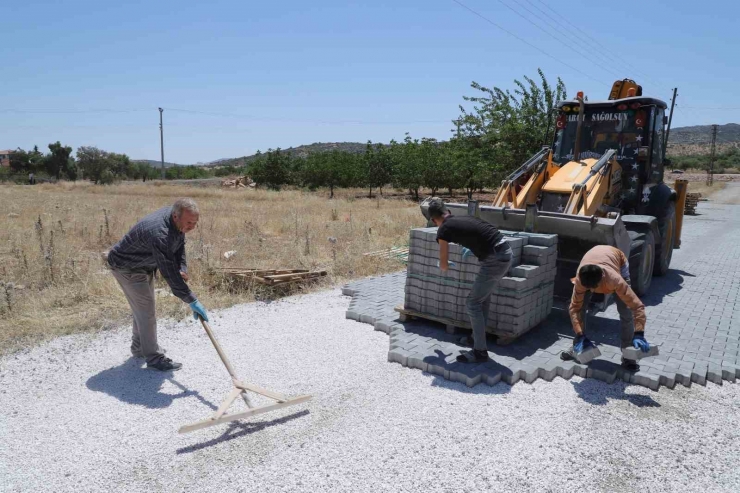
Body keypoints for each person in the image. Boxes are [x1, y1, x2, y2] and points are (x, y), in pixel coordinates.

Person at [107, 198, 208, 371]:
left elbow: (179, 244)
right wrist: (191, 299)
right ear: (175, 216)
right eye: (189, 222)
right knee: (146, 311)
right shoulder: (160, 233)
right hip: (127, 267)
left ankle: (139, 348)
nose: (191, 226)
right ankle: (154, 358)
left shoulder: (176, 217)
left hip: (144, 265)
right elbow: (169, 273)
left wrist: (181, 267)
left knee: (142, 309)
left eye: (195, 223)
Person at [427, 197, 512, 364]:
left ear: (433, 219)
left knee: (472, 303)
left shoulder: (443, 230)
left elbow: (444, 265)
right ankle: (477, 339)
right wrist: (472, 248)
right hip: (504, 252)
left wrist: (441, 264)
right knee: (482, 299)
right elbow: (479, 234)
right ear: (448, 212)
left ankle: (480, 352)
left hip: (495, 259)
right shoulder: (463, 218)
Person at [561, 245, 651, 371]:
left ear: (602, 278)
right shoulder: (581, 280)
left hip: (618, 262)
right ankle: (578, 347)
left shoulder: (616, 280)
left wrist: (639, 333)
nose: (592, 291)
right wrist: (580, 334)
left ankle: (629, 357)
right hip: (594, 258)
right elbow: (574, 309)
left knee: (626, 313)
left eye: (594, 287)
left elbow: (637, 306)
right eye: (589, 288)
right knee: (580, 309)